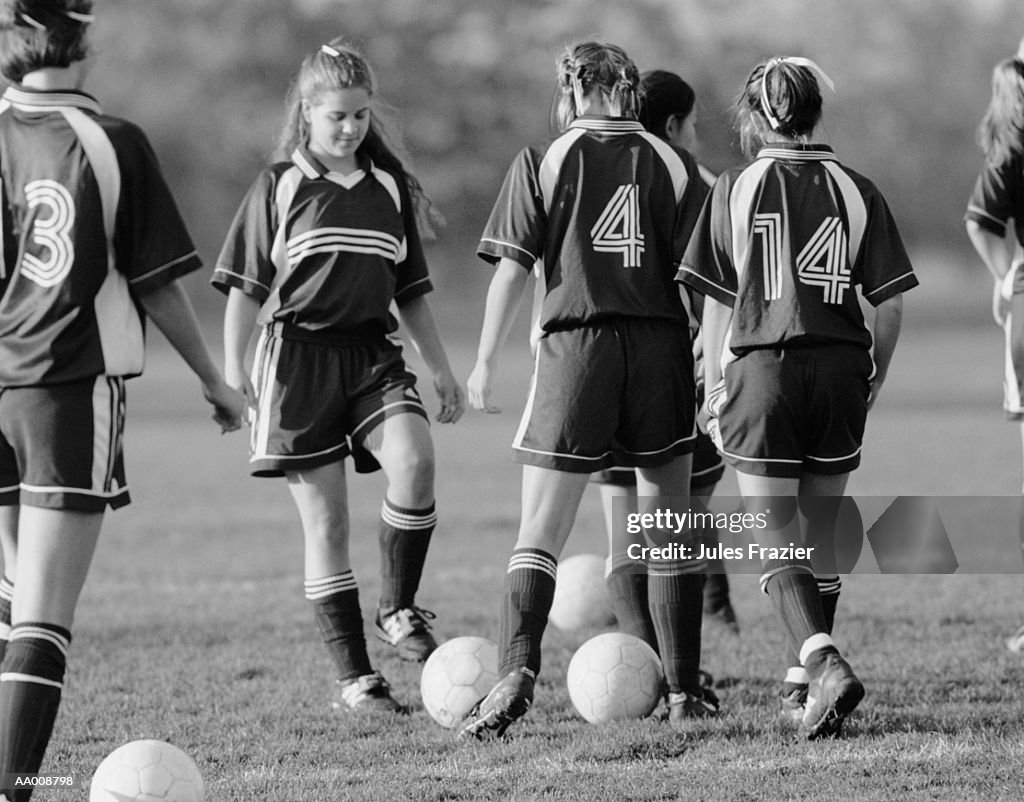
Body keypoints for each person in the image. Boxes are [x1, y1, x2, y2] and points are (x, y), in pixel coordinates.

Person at [0, 2, 246, 799]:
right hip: (66, 392)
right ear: (85, 37)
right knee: (41, 617)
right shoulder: (112, 143)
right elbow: (156, 282)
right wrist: (214, 379)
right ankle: (13, 785)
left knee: (9, 597)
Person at [461, 41, 713, 740]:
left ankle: (516, 673)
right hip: (660, 350)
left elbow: (511, 272)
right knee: (668, 528)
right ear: (631, 94)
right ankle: (686, 693)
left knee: (540, 530)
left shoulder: (543, 159)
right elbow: (707, 284)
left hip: (577, 349)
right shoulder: (676, 163)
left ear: (571, 91)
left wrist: (483, 362)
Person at [214, 39, 464, 716]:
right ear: (307, 113)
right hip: (295, 363)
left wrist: (441, 370)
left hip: (371, 355)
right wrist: (233, 372)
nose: (350, 128)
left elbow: (409, 291)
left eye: (359, 115)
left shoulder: (387, 189)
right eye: (336, 118)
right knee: (325, 526)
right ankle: (358, 680)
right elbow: (242, 289)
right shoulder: (279, 184)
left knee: (414, 462)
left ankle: (398, 609)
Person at [677, 56, 917, 739]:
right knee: (821, 541)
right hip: (842, 367)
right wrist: (876, 374)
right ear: (817, 112)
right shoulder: (857, 187)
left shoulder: (733, 185)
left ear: (755, 117)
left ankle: (824, 662)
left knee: (775, 542)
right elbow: (890, 304)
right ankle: (796, 691)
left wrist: (716, 383)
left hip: (763, 374)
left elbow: (719, 300)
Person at [599, 70, 739, 651]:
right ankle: (686, 630)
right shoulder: (701, 185)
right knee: (675, 523)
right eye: (696, 126)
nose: (698, 139)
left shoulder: (593, 171)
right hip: (682, 376)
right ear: (677, 126)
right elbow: (729, 289)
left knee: (629, 531)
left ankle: (655, 637)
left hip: (600, 367)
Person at [964, 53, 1024, 653]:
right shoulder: (1013, 146)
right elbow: (980, 220)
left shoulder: (1011, 142)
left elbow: (980, 222)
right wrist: (1009, 280)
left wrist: (1006, 280)